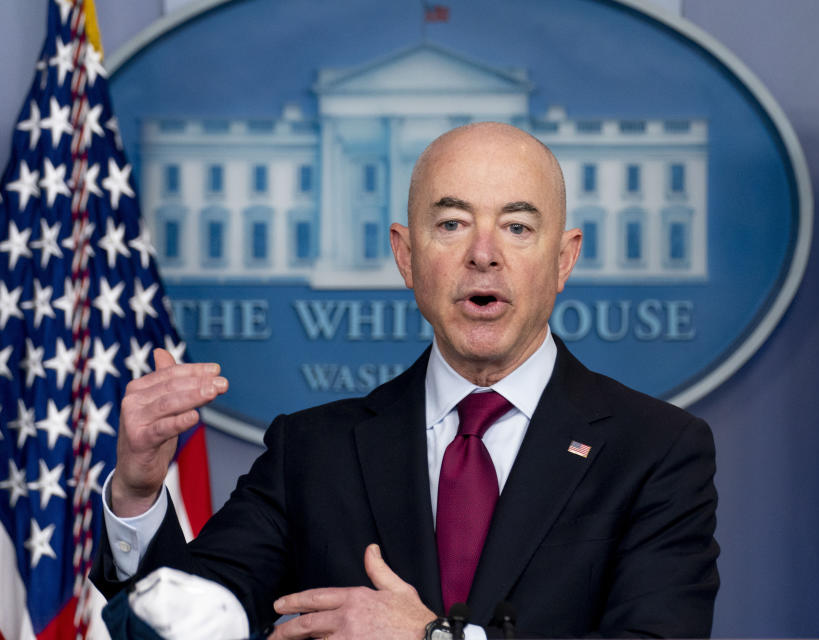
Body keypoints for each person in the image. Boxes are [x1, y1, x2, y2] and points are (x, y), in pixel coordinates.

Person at [93, 122, 720, 639]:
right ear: (406, 256)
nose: (484, 253)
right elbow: (193, 621)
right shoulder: (312, 452)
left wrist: (434, 638)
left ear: (563, 260)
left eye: (518, 227)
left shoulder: (656, 450)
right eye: (451, 223)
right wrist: (139, 496)